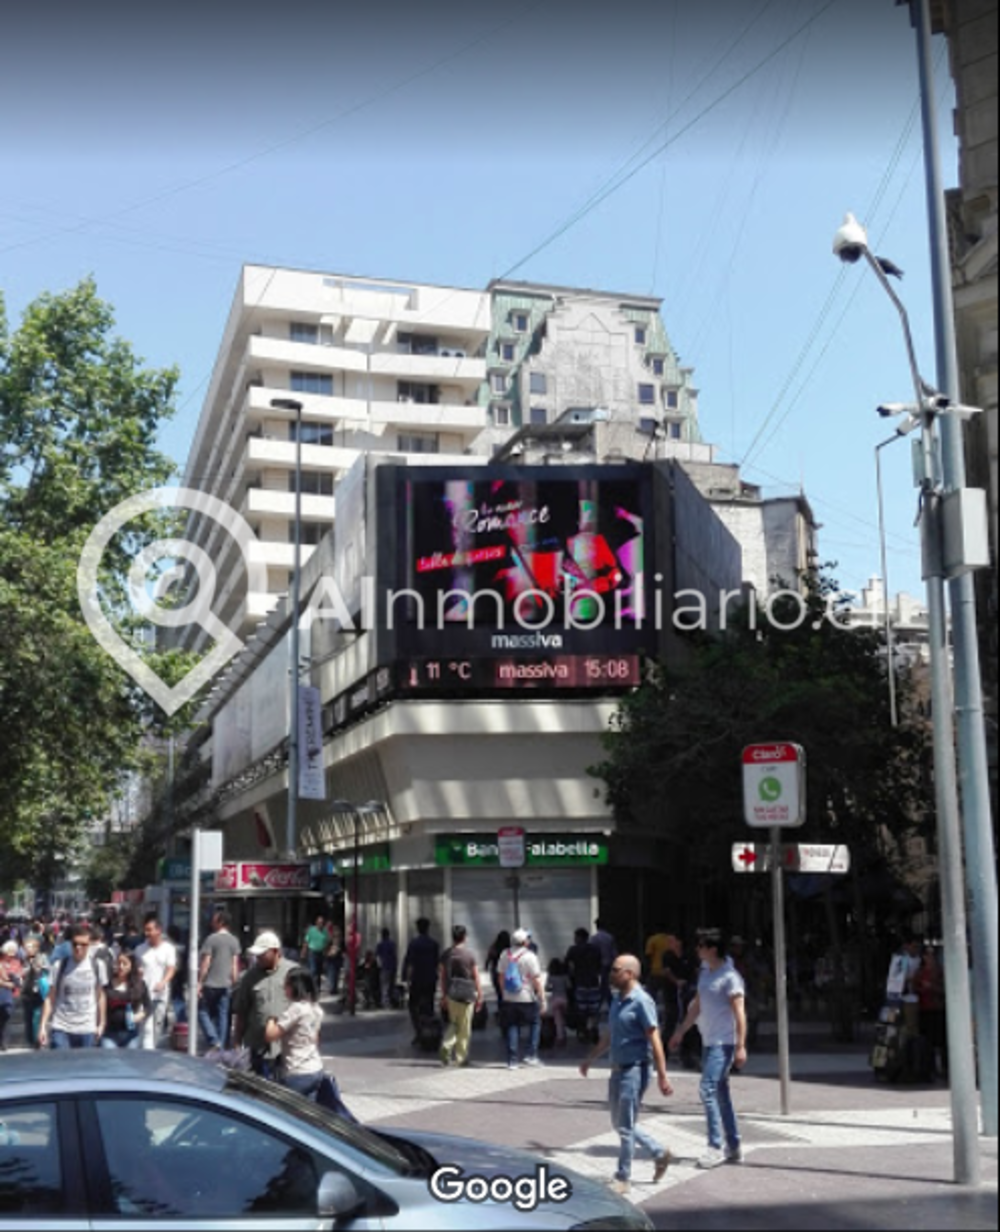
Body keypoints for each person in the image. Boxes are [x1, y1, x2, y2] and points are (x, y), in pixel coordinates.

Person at [580, 953, 673, 1196]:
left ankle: (623, 1177)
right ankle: (658, 1152)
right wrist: (591, 1058)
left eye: (615, 969)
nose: (611, 974)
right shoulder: (617, 1000)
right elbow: (610, 1035)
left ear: (630, 974)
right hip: (617, 1069)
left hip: (635, 1070)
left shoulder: (642, 1001)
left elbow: (655, 1039)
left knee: (625, 1128)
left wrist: (663, 1075)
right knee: (621, 1123)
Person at [669, 928, 747, 1168]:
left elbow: (740, 1014)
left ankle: (714, 1147)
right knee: (720, 1092)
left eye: (701, 945)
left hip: (723, 1043)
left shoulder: (730, 977)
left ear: (713, 949)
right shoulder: (705, 973)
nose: (697, 949)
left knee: (708, 1089)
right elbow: (697, 1006)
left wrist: (741, 1046)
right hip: (709, 1040)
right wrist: (681, 1031)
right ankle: (733, 1145)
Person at [232, 930, 297, 1078]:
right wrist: (236, 1043)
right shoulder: (249, 977)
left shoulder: (292, 972)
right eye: (257, 955)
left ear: (275, 952)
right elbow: (241, 1011)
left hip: (285, 1049)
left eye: (262, 954)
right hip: (256, 1046)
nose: (258, 958)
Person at [38, 923, 108, 1049]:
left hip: (87, 1028)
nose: (78, 948)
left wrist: (101, 1023)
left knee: (85, 1068)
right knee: (61, 1067)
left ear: (90, 944)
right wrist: (43, 1026)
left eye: (83, 945)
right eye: (75, 944)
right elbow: (50, 997)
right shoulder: (59, 966)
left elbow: (100, 996)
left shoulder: (97, 966)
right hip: (61, 1027)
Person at [264, 967, 325, 1097]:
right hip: (315, 1068)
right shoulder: (316, 1008)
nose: (284, 988)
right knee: (307, 1113)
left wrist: (271, 1018)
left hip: (297, 1071)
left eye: (286, 985)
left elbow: (270, 1035)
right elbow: (315, 1040)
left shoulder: (296, 1009)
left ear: (296, 987)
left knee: (286, 1113)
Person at [498, 928, 546, 1070]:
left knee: (512, 1026)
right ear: (525, 941)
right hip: (526, 996)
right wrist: (542, 998)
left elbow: (500, 976)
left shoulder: (504, 954)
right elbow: (536, 979)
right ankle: (531, 1055)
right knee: (535, 1023)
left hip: (509, 997)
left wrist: (503, 993)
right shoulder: (530, 956)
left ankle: (512, 1060)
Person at [439, 924, 483, 1067]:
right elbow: (476, 976)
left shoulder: (446, 954)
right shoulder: (469, 955)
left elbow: (442, 976)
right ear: (464, 937)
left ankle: (447, 1044)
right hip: (466, 994)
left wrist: (443, 995)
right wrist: (480, 995)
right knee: (464, 1027)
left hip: (451, 993)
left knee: (453, 1023)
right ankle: (461, 1057)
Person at [197, 909, 241, 1050]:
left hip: (210, 983)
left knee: (202, 1012)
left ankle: (213, 1039)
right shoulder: (234, 940)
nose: (212, 922)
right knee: (223, 1016)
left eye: (214, 919)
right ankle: (220, 1046)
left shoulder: (211, 939)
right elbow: (235, 965)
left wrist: (200, 982)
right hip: (226, 984)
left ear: (221, 922)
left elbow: (206, 962)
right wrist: (235, 982)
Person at [134, 913, 177, 1050]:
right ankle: (145, 1052)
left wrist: (163, 982)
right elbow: (136, 968)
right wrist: (138, 973)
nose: (147, 933)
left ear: (159, 930)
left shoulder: (168, 949)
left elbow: (171, 969)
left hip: (160, 995)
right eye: (145, 930)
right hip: (143, 995)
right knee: (145, 1027)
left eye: (150, 930)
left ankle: (154, 1051)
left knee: (157, 1026)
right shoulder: (140, 949)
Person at [101, 952, 151, 1049]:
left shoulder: (139, 984)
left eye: (125, 963)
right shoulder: (107, 984)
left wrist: (140, 1015)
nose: (121, 966)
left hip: (131, 1034)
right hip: (110, 1034)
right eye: (119, 963)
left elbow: (148, 1006)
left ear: (131, 966)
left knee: (129, 1063)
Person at [402, 918, 440, 1045]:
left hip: (417, 980)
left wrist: (407, 980)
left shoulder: (414, 944)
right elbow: (437, 963)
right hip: (430, 979)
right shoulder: (434, 944)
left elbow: (410, 964)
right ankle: (430, 1032)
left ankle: (419, 1031)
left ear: (418, 928)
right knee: (429, 1007)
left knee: (413, 1006)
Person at [565, 928, 603, 1043]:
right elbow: (600, 964)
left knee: (582, 1009)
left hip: (580, 982)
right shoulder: (596, 949)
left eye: (576, 937)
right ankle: (594, 1029)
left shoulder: (573, 950)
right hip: (593, 982)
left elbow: (567, 964)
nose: (574, 939)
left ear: (580, 938)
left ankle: (582, 1031)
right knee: (594, 1009)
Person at [19, 937, 50, 1049]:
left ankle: (38, 1041)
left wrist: (39, 968)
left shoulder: (42, 958)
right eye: (26, 947)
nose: (28, 949)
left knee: (36, 1018)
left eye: (30, 947)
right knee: (28, 1018)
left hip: (38, 993)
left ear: (37, 948)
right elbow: (21, 974)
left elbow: (47, 971)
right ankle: (30, 1041)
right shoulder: (24, 960)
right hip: (26, 993)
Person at [591, 919, 618, 1007]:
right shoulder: (610, 937)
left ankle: (602, 1001)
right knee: (605, 983)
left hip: (598, 964)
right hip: (608, 963)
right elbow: (614, 952)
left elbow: (592, 952)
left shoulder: (594, 938)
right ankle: (608, 1001)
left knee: (602, 984)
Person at [0, 941, 22, 1051]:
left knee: (7, 1018)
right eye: (9, 953)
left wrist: (15, 981)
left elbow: (19, 977)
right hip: (2, 994)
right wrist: (5, 983)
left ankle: (5, 1042)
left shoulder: (16, 963)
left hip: (13, 995)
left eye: (13, 953)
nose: (11, 955)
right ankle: (3, 1042)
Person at [544, 957, 570, 1047]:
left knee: (557, 1018)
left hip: (555, 999)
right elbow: (569, 986)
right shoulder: (564, 977)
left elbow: (547, 988)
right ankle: (562, 1033)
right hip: (564, 999)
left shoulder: (551, 977)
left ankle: (560, 1037)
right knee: (561, 1017)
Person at [301, 915, 329, 993]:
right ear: (316, 923)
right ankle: (312, 987)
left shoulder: (325, 931)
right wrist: (303, 952)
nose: (321, 924)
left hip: (321, 953)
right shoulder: (311, 930)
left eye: (322, 923)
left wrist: (326, 951)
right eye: (319, 922)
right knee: (313, 970)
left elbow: (327, 942)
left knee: (319, 971)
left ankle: (317, 987)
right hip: (312, 952)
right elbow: (306, 942)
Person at [376, 928, 398, 1008]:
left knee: (385, 985)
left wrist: (379, 966)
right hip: (392, 966)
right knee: (391, 985)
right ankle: (392, 1001)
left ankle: (385, 1002)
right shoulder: (392, 944)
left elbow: (378, 956)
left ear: (382, 935)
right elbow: (395, 955)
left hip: (385, 966)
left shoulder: (380, 944)